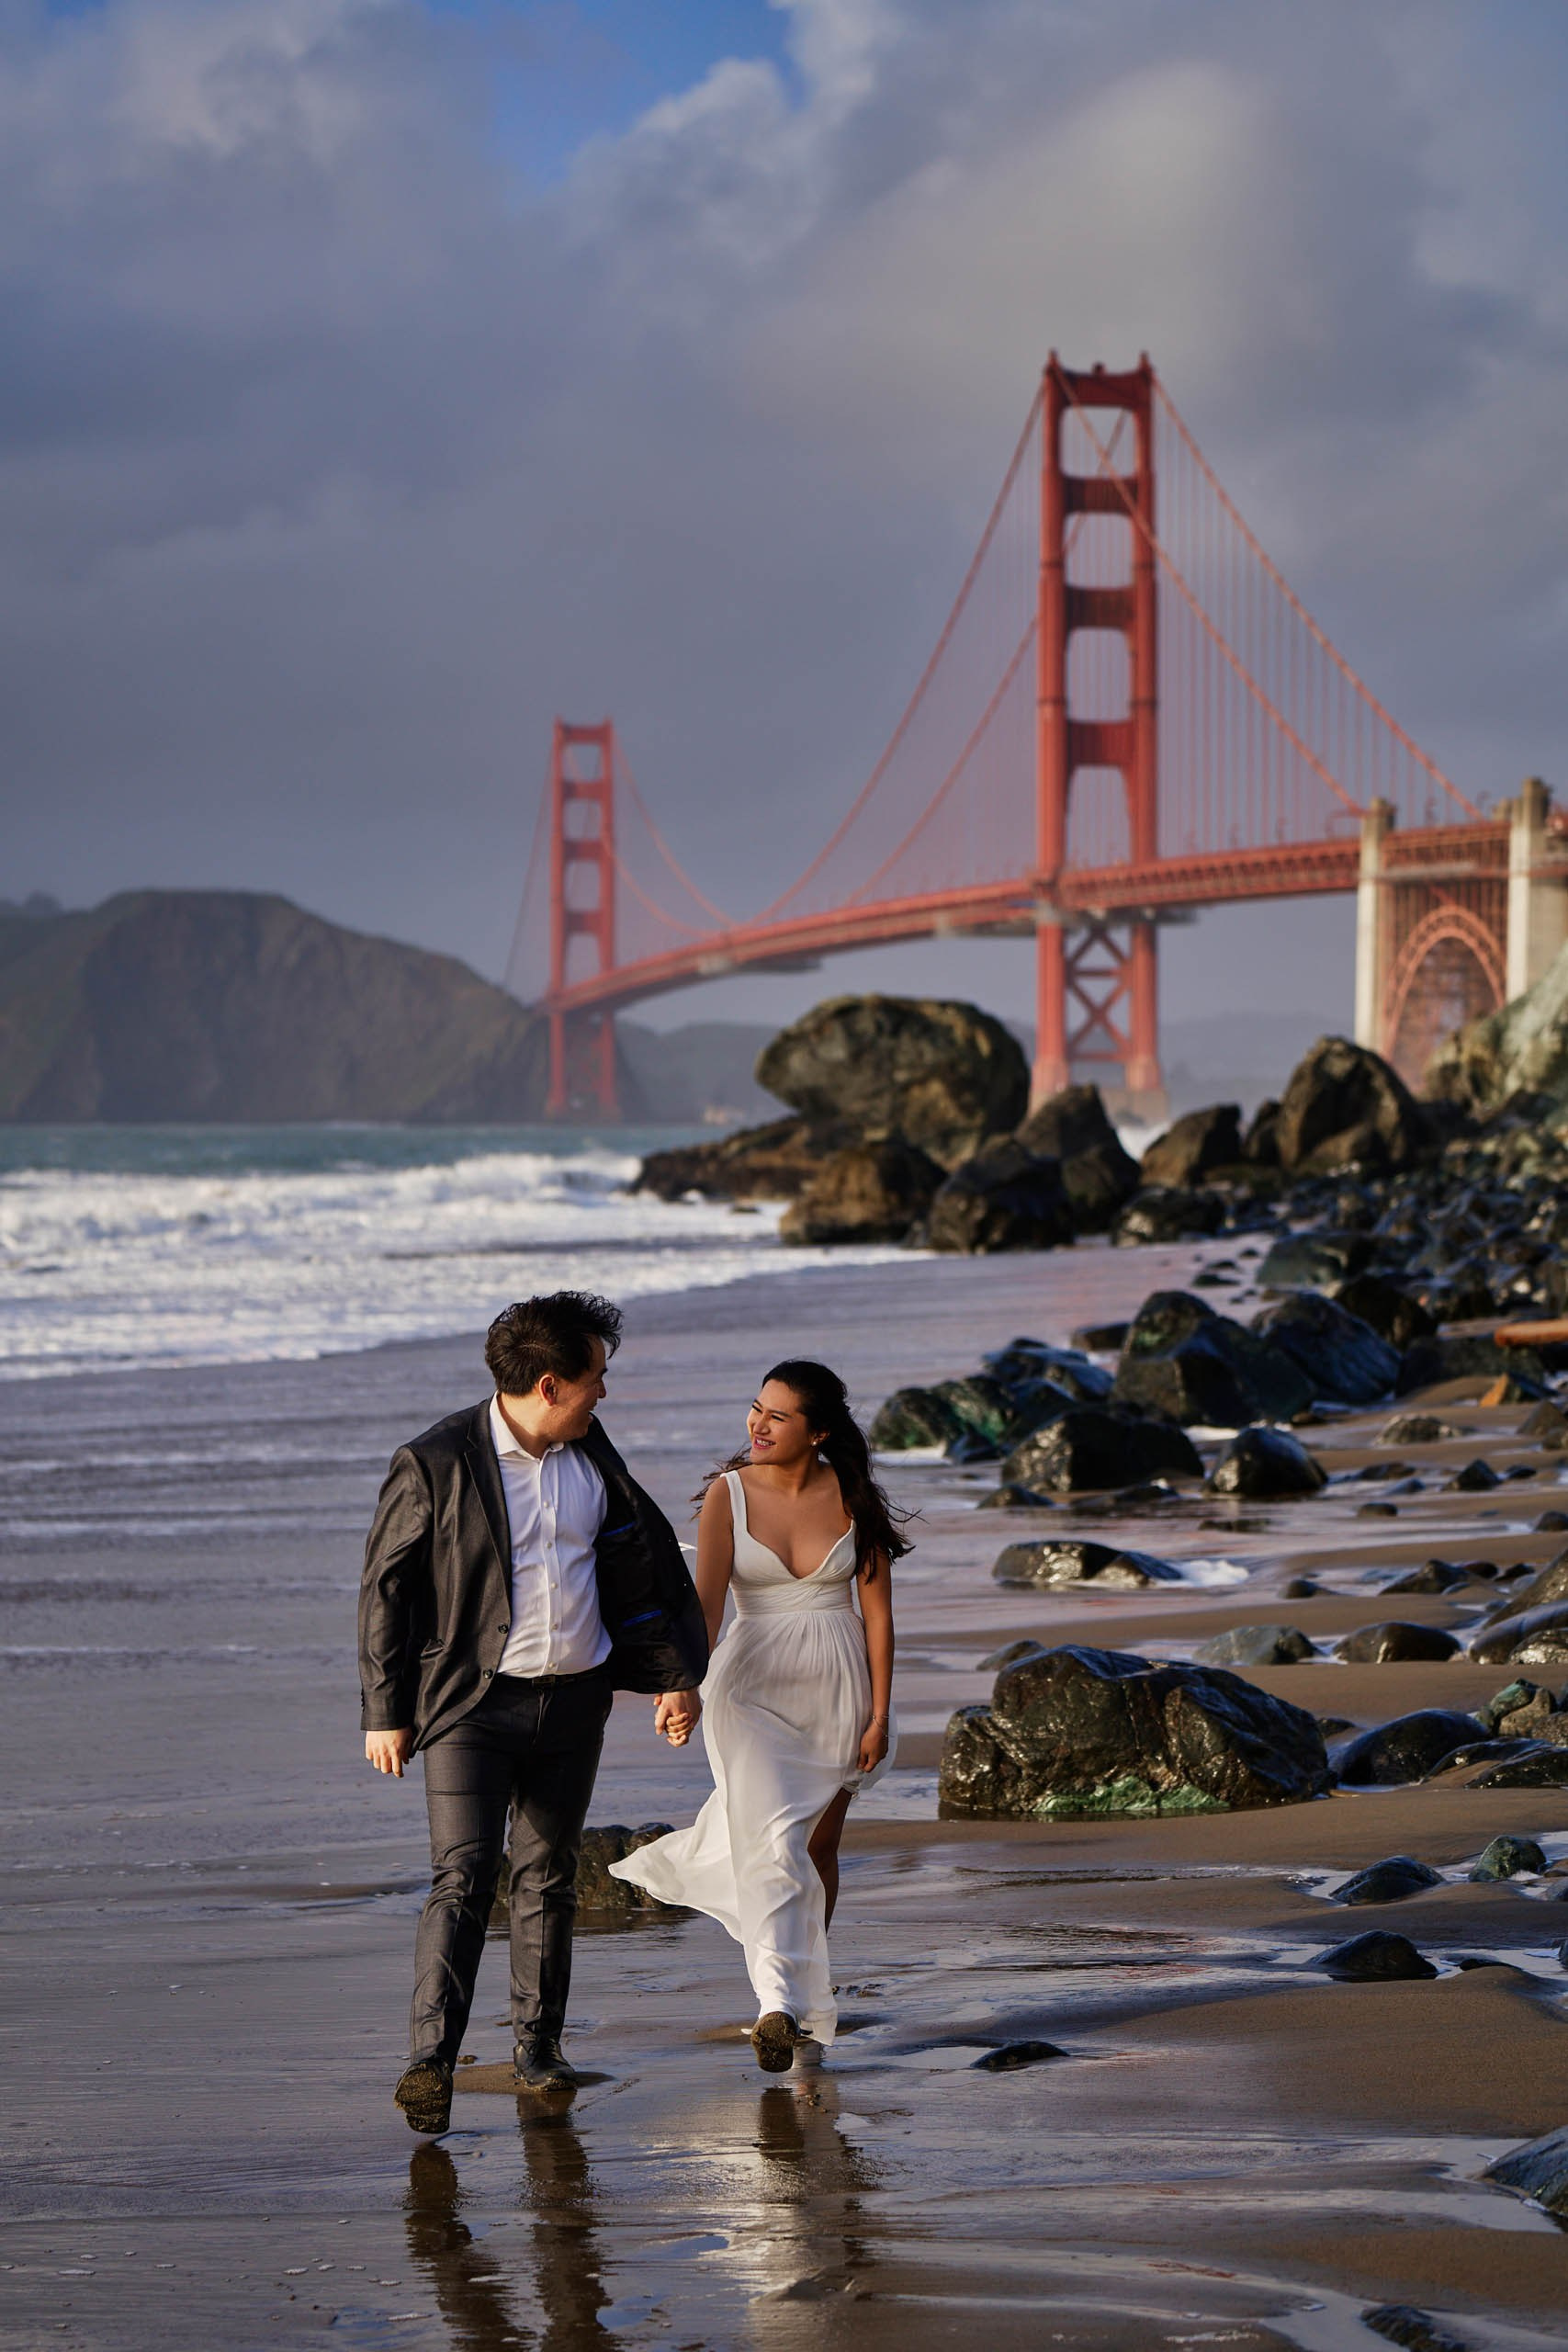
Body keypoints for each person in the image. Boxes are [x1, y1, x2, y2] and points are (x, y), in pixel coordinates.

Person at [357, 1290, 707, 2135]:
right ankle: (429, 2064)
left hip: (575, 1700)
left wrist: (671, 1676)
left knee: (547, 1877)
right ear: (549, 1384)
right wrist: (384, 1709)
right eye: (596, 1378)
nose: (604, 1394)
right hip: (469, 1706)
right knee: (465, 1875)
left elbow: (637, 1570)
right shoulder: (435, 1460)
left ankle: (538, 2051)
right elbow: (386, 1589)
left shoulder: (593, 1455)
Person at [610, 1359, 905, 2073]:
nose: (757, 1424)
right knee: (775, 1843)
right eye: (755, 1409)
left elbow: (878, 1618)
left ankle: (805, 1990)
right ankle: (778, 2005)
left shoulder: (854, 1498)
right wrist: (679, 1685)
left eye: (778, 1416)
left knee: (815, 1852)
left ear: (818, 1432)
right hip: (747, 1687)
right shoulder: (726, 1496)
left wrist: (879, 1716)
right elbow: (704, 1609)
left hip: (838, 1686)